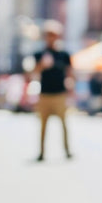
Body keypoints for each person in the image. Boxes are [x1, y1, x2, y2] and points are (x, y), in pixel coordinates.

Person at [33, 20, 72, 160]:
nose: (51, 38)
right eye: (48, 35)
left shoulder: (64, 54)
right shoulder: (39, 53)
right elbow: (34, 72)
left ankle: (67, 150)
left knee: (64, 123)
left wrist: (71, 89)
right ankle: (41, 152)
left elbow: (70, 72)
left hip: (60, 93)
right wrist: (42, 65)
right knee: (43, 125)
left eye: (53, 35)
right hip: (45, 94)